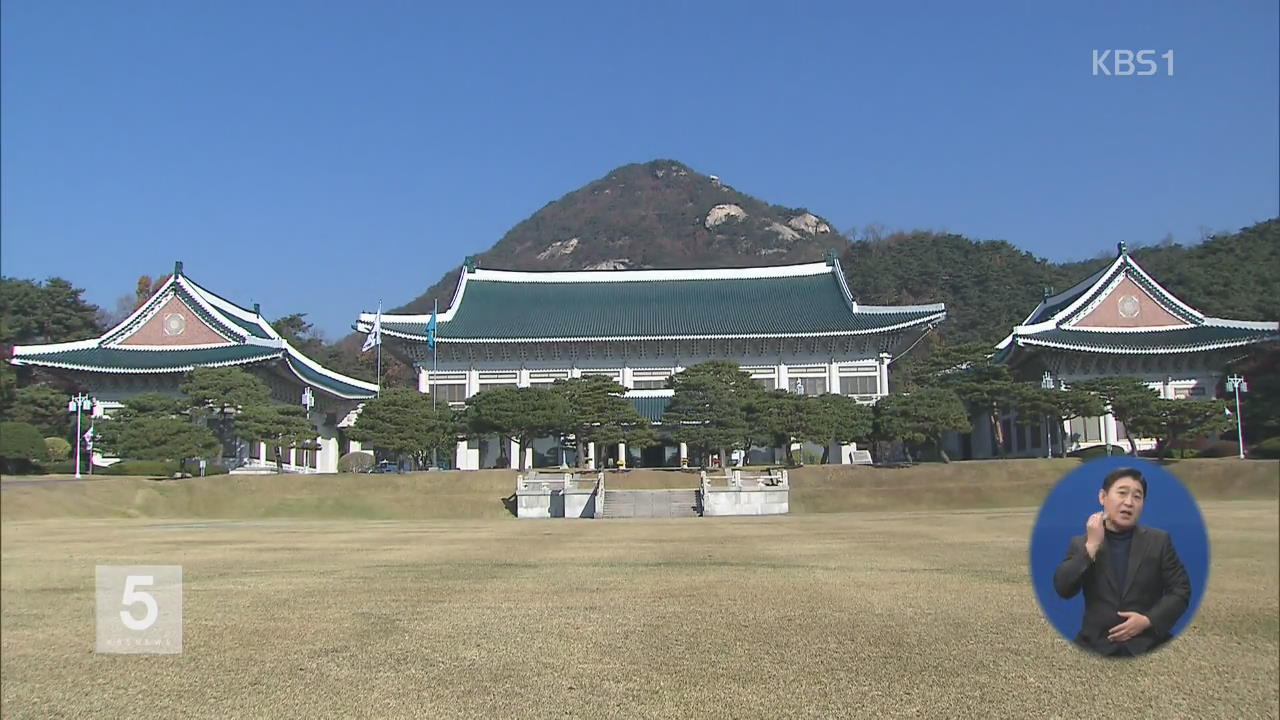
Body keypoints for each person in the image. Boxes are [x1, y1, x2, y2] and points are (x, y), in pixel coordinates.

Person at [1053, 467, 1191, 657]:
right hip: (1095, 644)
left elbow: (1180, 590)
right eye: (1122, 493)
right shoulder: (1080, 544)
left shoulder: (1159, 541)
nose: (1129, 502)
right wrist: (1091, 546)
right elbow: (1063, 588)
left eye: (1137, 496)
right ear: (1103, 497)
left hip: (1148, 644)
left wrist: (1148, 620)